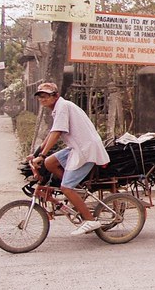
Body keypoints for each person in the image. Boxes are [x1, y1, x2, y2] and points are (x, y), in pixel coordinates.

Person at [27, 82, 111, 235]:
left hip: (86, 149)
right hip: (76, 147)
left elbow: (58, 132)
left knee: (65, 187)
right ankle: (77, 193)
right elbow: (52, 133)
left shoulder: (63, 106)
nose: (42, 99)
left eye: (46, 96)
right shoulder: (58, 108)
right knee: (49, 163)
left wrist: (41, 155)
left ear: (56, 95)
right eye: (40, 96)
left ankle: (90, 220)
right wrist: (38, 153)